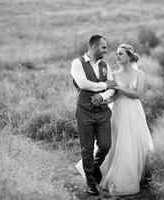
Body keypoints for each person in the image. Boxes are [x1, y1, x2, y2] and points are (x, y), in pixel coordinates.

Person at [99, 43, 154, 196]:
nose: (117, 56)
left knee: (133, 143)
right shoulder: (114, 75)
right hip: (117, 110)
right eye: (116, 54)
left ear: (129, 56)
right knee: (117, 143)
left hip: (134, 111)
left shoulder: (140, 74)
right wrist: (102, 101)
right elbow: (113, 96)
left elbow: (137, 94)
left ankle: (131, 177)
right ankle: (116, 179)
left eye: (120, 54)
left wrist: (118, 87)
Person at [70, 35, 116, 196]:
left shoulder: (105, 65)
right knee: (87, 148)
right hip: (84, 112)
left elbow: (113, 87)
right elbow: (83, 84)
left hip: (102, 111)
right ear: (95, 47)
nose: (106, 50)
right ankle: (91, 183)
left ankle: (94, 167)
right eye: (104, 47)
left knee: (105, 145)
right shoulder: (78, 63)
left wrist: (102, 96)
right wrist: (103, 86)